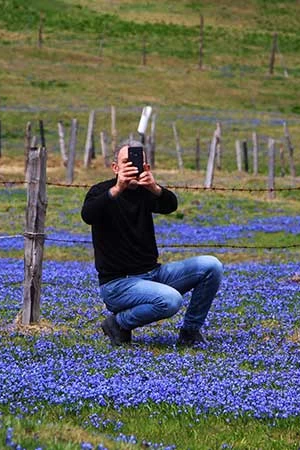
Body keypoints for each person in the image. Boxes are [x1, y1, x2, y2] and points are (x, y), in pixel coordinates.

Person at [81, 140, 223, 347]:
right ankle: (118, 323)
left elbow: (170, 205)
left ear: (145, 167)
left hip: (153, 274)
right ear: (115, 167)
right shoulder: (100, 191)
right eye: (125, 162)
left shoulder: (146, 191)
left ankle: (190, 332)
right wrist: (118, 188)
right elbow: (88, 215)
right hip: (118, 283)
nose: (132, 167)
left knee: (212, 266)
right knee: (171, 300)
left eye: (137, 163)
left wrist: (155, 188)